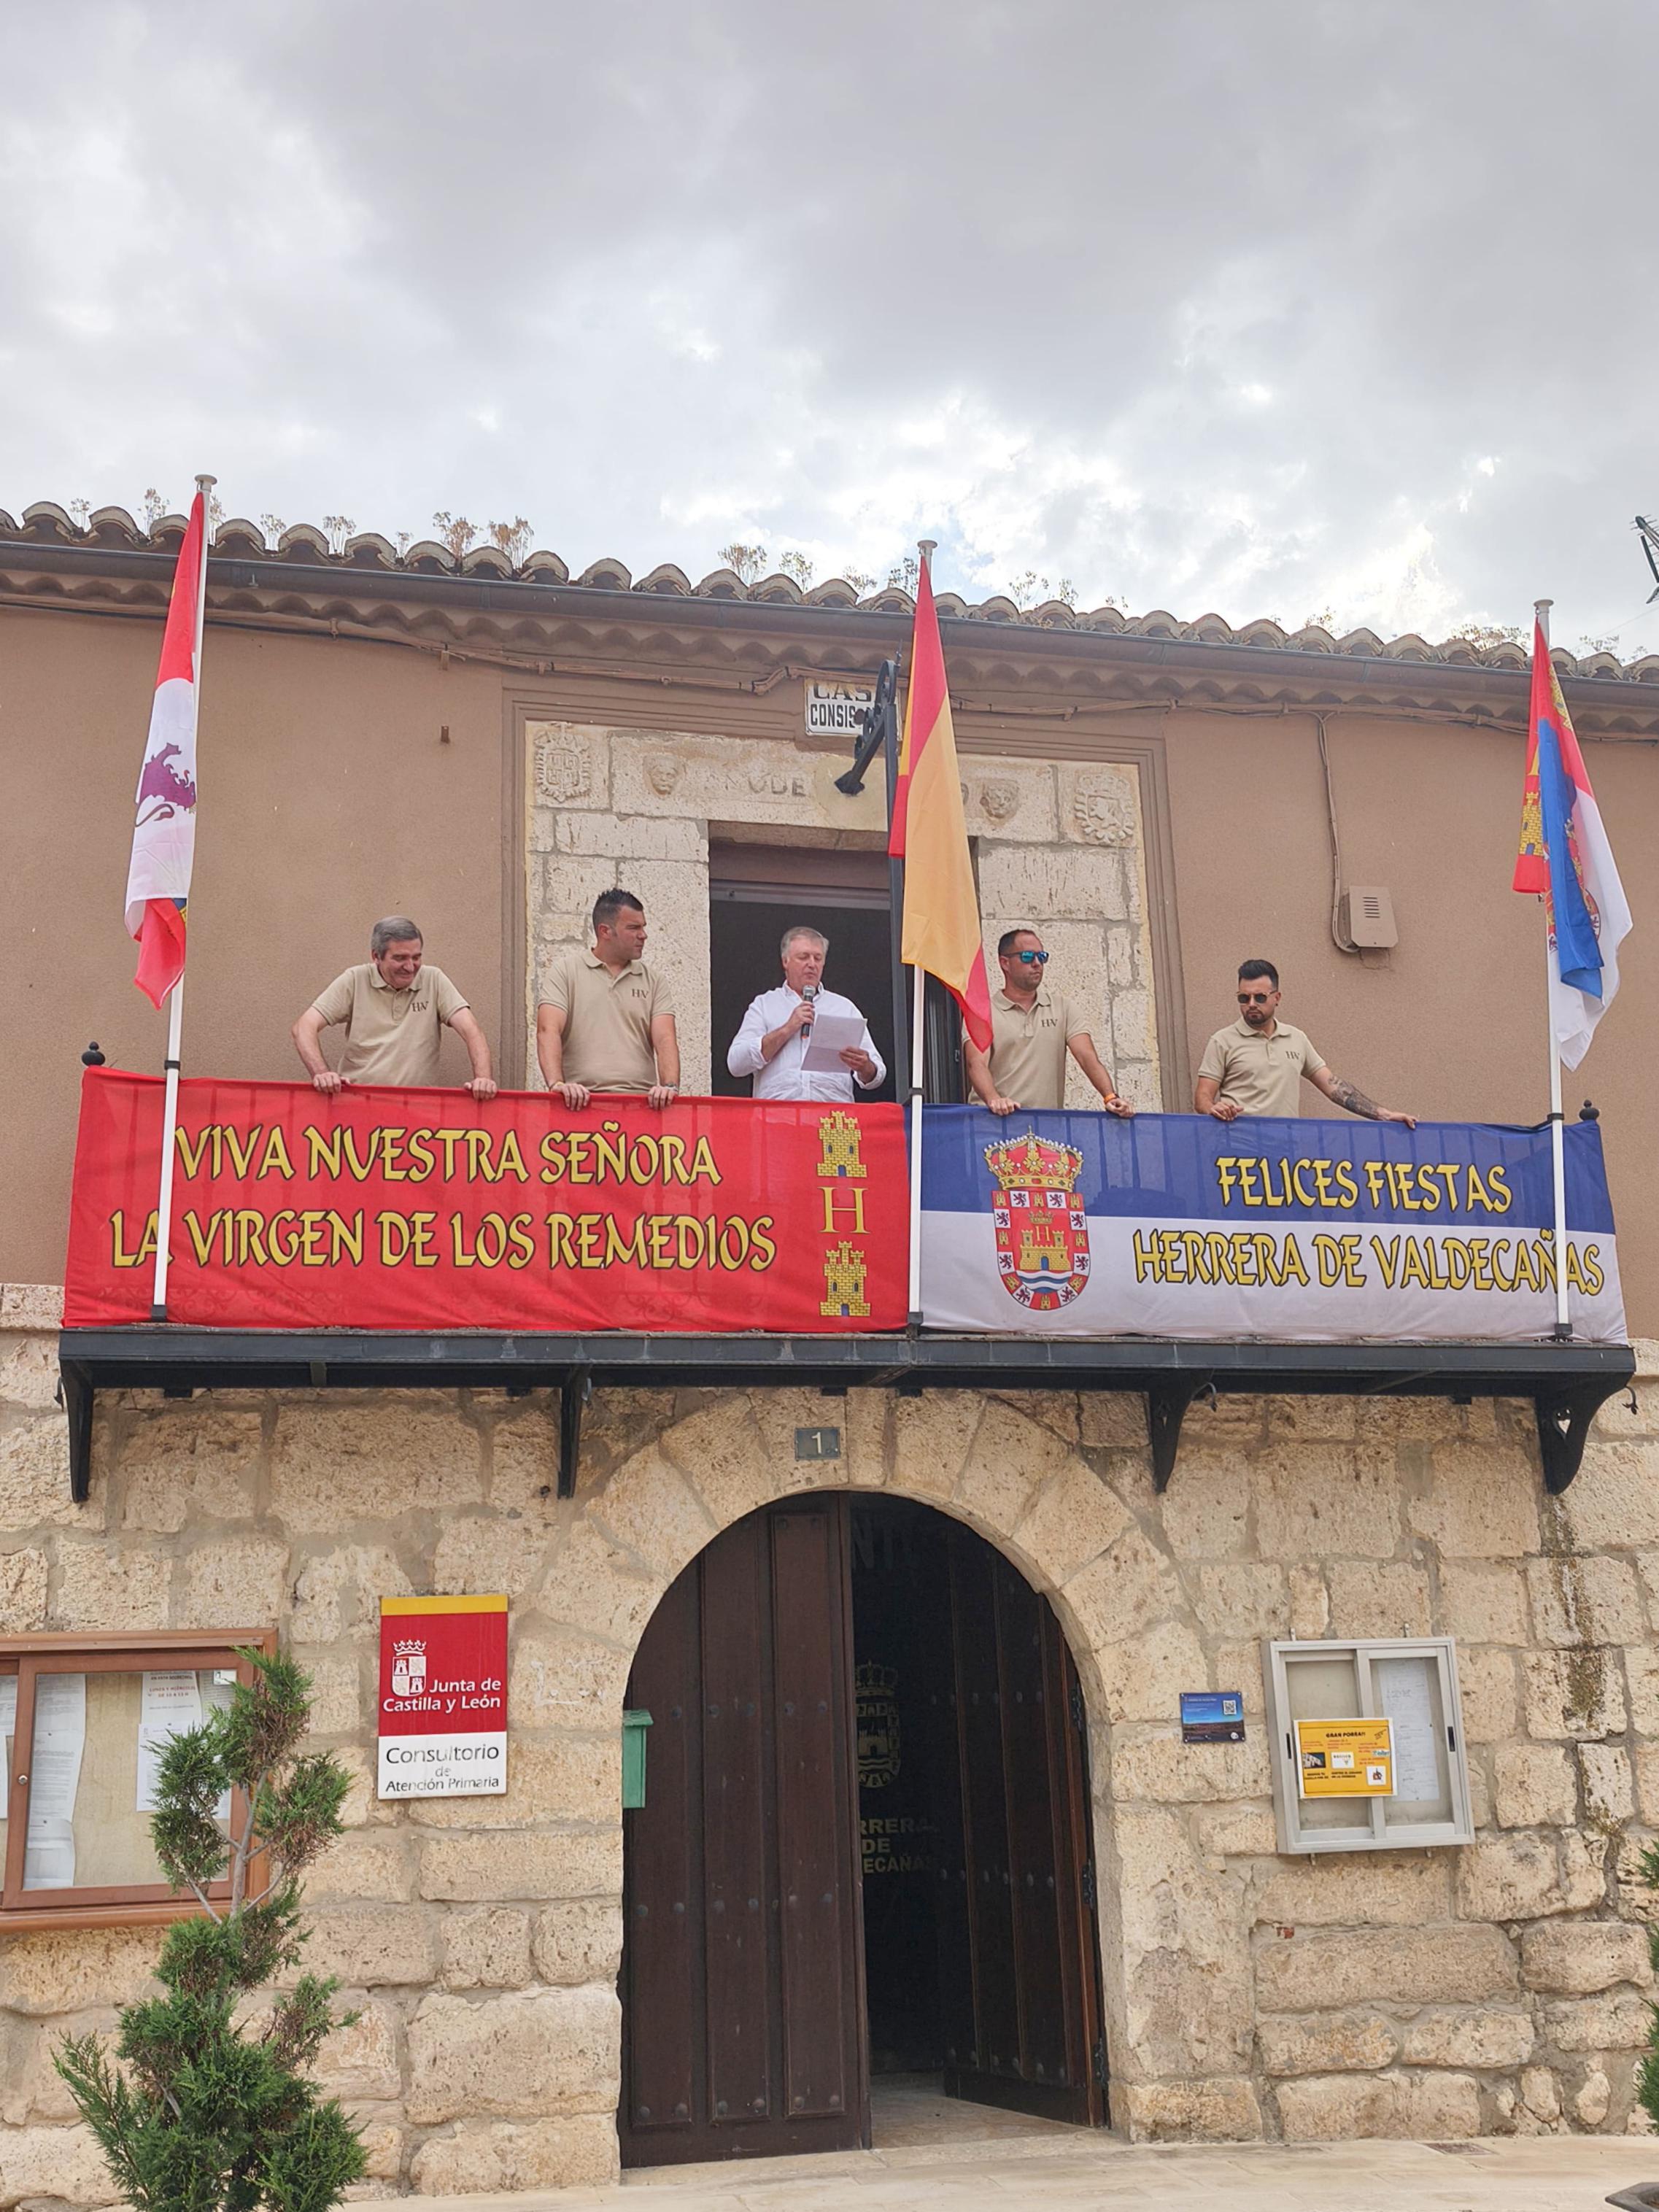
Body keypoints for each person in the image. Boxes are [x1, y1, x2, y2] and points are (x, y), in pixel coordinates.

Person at [293, 916, 498, 1097]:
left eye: (416, 957)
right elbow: (303, 1027)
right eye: (400, 958)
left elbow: (472, 1031)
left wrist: (483, 1079)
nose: (410, 967)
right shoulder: (355, 979)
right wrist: (322, 1074)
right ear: (376, 956)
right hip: (357, 1107)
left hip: (417, 1110)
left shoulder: (434, 979)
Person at [1195, 959, 1416, 1125]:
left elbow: (1333, 1087)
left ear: (1277, 998)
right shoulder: (1222, 1041)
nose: (1251, 1004)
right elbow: (1202, 1098)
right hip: (1238, 1152)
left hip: (1286, 1152)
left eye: (1260, 997)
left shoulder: (1296, 1038)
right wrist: (1214, 1108)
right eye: (1244, 998)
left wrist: (1384, 1115)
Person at [964, 927, 1134, 1116]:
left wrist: (1110, 1097)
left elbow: (1087, 1057)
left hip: (1045, 1125)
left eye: (1042, 957)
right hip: (993, 1122)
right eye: (1028, 957)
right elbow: (976, 1064)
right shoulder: (982, 1012)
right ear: (1005, 963)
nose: (1037, 963)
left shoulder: (1063, 1008)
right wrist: (994, 1099)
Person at [536, 888, 680, 1109]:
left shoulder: (654, 981)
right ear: (605, 931)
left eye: (643, 927)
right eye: (633, 928)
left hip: (641, 1106)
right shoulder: (565, 972)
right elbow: (548, 1030)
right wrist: (557, 1085)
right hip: (578, 1104)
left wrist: (670, 1088)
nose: (643, 935)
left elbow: (665, 1039)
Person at [726, 926, 886, 1102]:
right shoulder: (764, 1005)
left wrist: (865, 1066)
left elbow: (877, 1075)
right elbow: (736, 1064)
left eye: (818, 958)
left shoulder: (844, 1008)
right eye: (803, 957)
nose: (812, 964)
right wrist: (788, 1028)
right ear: (785, 962)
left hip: (831, 1114)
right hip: (777, 1114)